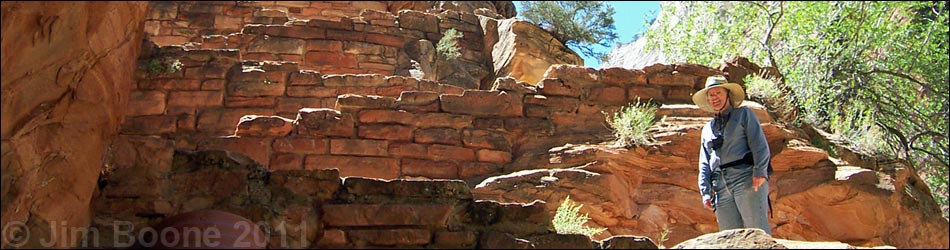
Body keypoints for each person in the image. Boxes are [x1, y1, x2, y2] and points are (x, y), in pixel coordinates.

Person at [694, 75, 772, 234]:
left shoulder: (744, 114)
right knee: (729, 237)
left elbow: (759, 145)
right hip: (720, 187)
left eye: (718, 93)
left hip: (745, 178)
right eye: (711, 95)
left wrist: (760, 172)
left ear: (727, 94)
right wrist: (705, 191)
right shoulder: (708, 129)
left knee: (757, 232)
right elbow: (704, 162)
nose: (714, 98)